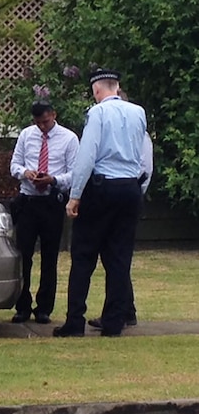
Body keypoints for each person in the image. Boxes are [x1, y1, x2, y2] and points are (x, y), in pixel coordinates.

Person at [53, 68, 147, 337]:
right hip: (130, 187)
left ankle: (74, 321)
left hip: (102, 187)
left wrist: (75, 195)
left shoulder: (97, 113)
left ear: (97, 90)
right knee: (119, 258)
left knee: (83, 256)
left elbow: (87, 156)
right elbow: (141, 155)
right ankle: (114, 321)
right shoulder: (138, 112)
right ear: (117, 87)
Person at [8, 100, 79, 324]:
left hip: (51, 201)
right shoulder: (26, 135)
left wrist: (54, 179)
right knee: (23, 255)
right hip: (28, 201)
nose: (42, 127)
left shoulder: (68, 138)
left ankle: (44, 308)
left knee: (49, 257)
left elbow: (75, 173)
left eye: (45, 122)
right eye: (38, 123)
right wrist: (25, 172)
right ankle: (22, 305)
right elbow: (14, 165)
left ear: (53, 115)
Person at [87, 89, 153, 330]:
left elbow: (144, 167)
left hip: (125, 193)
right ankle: (124, 309)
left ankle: (121, 311)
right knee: (115, 257)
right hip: (124, 193)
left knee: (117, 257)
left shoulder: (138, 134)